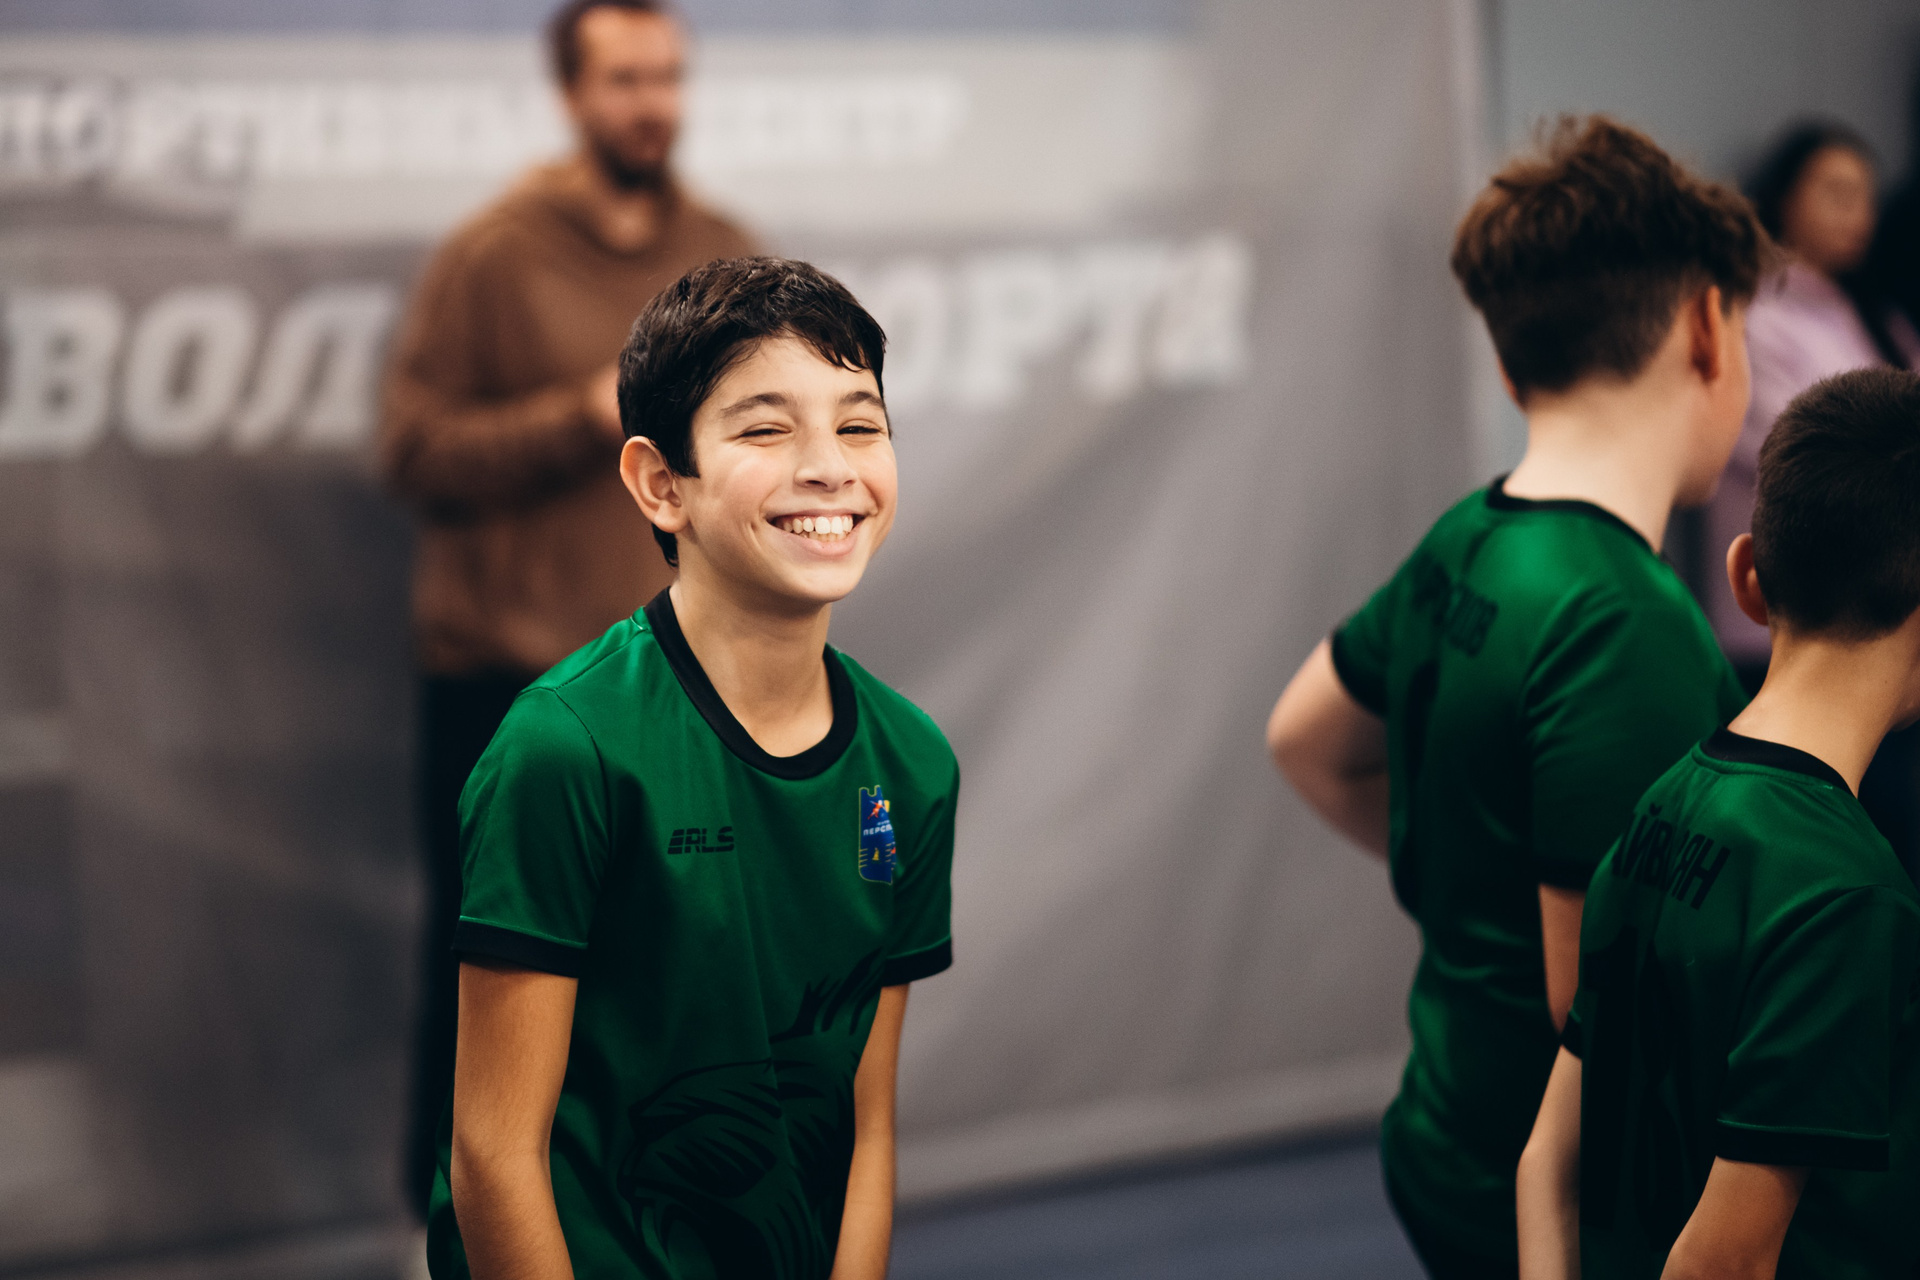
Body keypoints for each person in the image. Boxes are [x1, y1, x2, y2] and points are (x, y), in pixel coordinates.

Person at [1267, 117, 1764, 1278]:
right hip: (1561, 1211)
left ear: (1509, 364)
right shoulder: (1624, 619)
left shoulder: (1469, 537)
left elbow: (1305, 740)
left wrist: (1472, 879)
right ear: (1706, 326)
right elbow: (1612, 1021)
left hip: (1447, 1125)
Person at [427, 257, 957, 1280]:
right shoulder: (563, 748)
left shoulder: (912, 763)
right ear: (660, 484)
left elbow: (865, 1122)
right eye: (766, 430)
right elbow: (494, 1154)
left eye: (859, 425)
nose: (829, 467)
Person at [380, 0, 757, 1216]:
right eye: (624, 78)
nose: (652, 102)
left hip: (675, 694)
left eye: (667, 76)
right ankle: (447, 1230)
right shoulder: (494, 254)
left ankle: (631, 1223)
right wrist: (584, 412)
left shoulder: (723, 257)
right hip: (510, 690)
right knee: (492, 983)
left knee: (666, 981)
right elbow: (412, 451)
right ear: (572, 94)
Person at [1517, 368, 1920, 1280]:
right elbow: (1719, 1265)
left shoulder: (1657, 810)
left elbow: (1546, 1164)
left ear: (1745, 577)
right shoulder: (1848, 896)